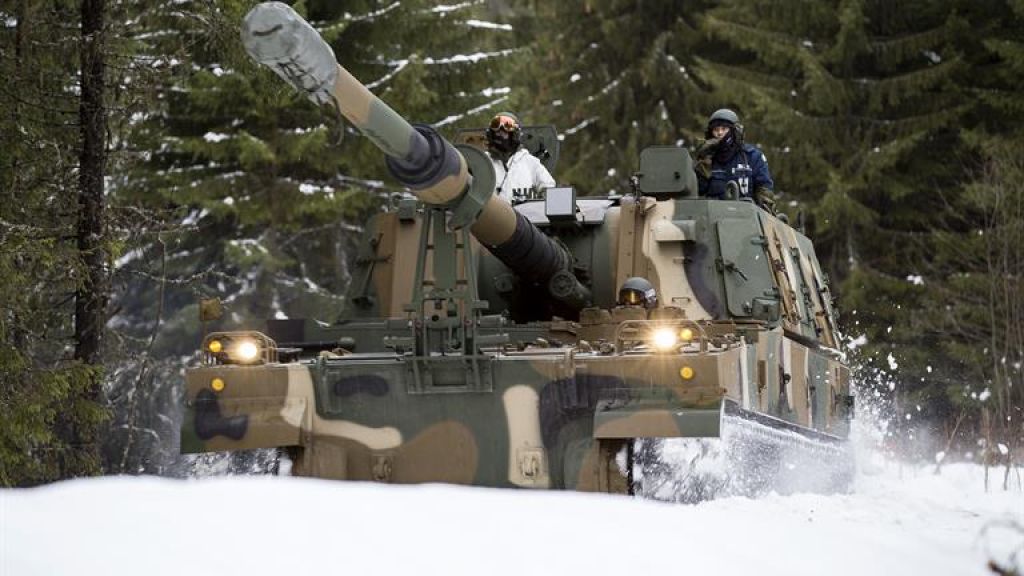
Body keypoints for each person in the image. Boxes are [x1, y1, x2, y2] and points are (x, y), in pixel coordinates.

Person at [694, 108, 775, 211]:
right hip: (714, 216)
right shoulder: (707, 158)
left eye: (724, 129)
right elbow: (698, 190)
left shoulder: (752, 157)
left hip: (746, 217)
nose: (719, 133)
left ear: (735, 130)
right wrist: (704, 161)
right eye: (716, 130)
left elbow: (765, 191)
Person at [486, 112, 555, 203]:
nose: (500, 136)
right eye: (497, 133)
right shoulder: (484, 161)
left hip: (524, 214)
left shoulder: (529, 161)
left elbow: (549, 187)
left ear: (514, 136)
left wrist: (539, 204)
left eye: (504, 134)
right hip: (491, 215)